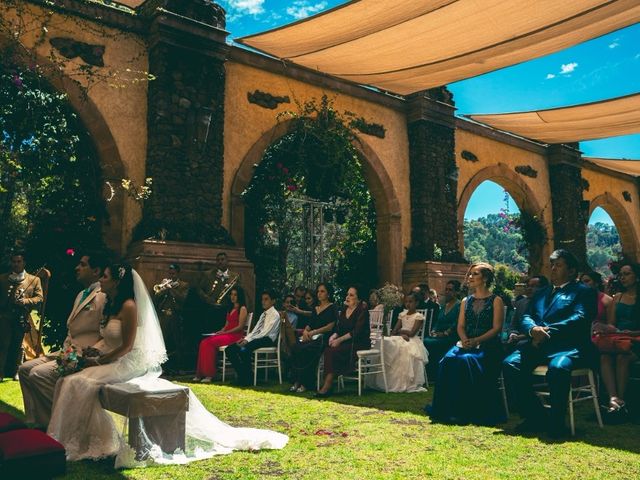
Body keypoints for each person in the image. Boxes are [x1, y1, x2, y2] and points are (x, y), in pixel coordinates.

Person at [47, 264, 287, 466]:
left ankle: (76, 442)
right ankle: (83, 438)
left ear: (118, 281)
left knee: (79, 382)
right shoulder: (112, 305)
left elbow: (127, 347)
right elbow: (109, 340)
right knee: (70, 380)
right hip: (111, 357)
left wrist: (100, 360)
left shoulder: (129, 306)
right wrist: (94, 353)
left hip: (127, 361)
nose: (101, 280)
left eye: (105, 276)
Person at [503, 249, 597, 438]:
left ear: (571, 271)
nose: (553, 269)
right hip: (537, 345)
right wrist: (532, 330)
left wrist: (546, 333)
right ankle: (535, 416)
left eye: (558, 265)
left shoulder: (584, 292)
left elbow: (580, 317)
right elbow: (527, 316)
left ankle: (556, 423)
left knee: (558, 368)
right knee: (510, 364)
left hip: (569, 347)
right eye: (552, 265)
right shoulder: (541, 293)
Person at [18, 252, 107, 427]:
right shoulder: (81, 293)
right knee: (24, 369)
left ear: (96, 271)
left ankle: (63, 422)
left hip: (80, 355)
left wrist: (88, 355)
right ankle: (36, 422)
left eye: (82, 265)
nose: (77, 268)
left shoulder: (103, 296)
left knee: (38, 375)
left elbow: (106, 333)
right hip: (66, 351)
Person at [596, 262, 640, 414]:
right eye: (620, 274)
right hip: (620, 338)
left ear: (637, 276)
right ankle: (613, 399)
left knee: (623, 358)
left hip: (636, 340)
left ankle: (620, 401)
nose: (622, 277)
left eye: (627, 274)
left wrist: (632, 333)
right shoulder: (618, 298)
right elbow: (612, 324)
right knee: (605, 357)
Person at [316, 285, 370, 397]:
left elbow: (357, 332)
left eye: (351, 295)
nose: (348, 297)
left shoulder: (362, 309)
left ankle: (327, 386)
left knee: (334, 351)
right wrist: (334, 336)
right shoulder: (345, 308)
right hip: (345, 342)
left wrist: (339, 340)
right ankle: (327, 383)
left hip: (358, 342)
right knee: (328, 349)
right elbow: (338, 328)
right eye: (347, 294)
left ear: (358, 298)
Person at [371, 292, 428, 392]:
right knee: (386, 342)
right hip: (401, 337)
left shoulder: (418, 317)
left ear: (416, 303)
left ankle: (403, 381)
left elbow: (412, 333)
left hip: (412, 340)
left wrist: (401, 331)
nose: (408, 304)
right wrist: (400, 333)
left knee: (403, 349)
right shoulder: (402, 314)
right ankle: (386, 378)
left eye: (410, 302)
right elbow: (394, 331)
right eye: (406, 302)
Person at [0, 251, 44, 380]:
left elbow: (39, 298)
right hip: (4, 317)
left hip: (22, 317)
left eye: (19, 261)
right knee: (2, 344)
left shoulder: (34, 280)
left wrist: (25, 301)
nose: (16, 264)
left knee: (19, 346)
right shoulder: (2, 278)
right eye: (13, 261)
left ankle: (17, 371)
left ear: (24, 263)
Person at [288, 283, 338, 393]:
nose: (319, 294)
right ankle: (297, 380)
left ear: (328, 294)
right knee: (296, 347)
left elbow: (331, 326)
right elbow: (310, 323)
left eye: (322, 291)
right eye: (318, 291)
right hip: (312, 336)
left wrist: (315, 332)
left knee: (307, 349)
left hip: (324, 337)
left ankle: (306, 382)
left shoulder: (332, 307)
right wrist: (306, 331)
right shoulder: (316, 308)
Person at [225, 289, 281, 386]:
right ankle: (243, 375)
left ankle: (246, 379)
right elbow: (255, 330)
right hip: (257, 338)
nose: (263, 302)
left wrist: (248, 341)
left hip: (267, 339)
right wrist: (246, 338)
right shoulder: (263, 314)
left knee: (244, 349)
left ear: (273, 301)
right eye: (262, 299)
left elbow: (264, 332)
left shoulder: (275, 315)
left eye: (266, 299)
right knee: (230, 349)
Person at [194, 286, 248, 383]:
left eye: (235, 295)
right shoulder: (230, 308)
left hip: (235, 336)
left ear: (239, 296)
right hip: (227, 334)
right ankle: (200, 374)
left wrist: (225, 332)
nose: (233, 297)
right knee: (203, 342)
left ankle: (209, 375)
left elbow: (240, 327)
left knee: (209, 343)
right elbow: (226, 325)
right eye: (231, 294)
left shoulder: (242, 308)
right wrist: (220, 331)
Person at [153, 263, 190, 372]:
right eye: (169, 273)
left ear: (178, 273)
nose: (171, 276)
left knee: (176, 342)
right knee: (162, 342)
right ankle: (163, 367)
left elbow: (182, 299)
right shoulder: (163, 284)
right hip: (163, 316)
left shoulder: (184, 285)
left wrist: (171, 290)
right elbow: (156, 297)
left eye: (173, 273)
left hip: (175, 316)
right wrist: (163, 289)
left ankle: (178, 367)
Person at [424, 280, 461, 378]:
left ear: (457, 292)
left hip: (452, 336)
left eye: (450, 290)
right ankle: (430, 373)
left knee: (429, 342)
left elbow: (457, 323)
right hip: (439, 335)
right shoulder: (444, 306)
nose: (447, 292)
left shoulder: (459, 305)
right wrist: (433, 331)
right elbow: (438, 321)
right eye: (446, 289)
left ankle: (437, 373)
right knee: (426, 340)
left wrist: (445, 333)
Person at [197, 252, 241, 331]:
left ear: (227, 261)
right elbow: (199, 290)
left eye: (222, 259)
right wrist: (207, 298)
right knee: (210, 332)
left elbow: (240, 293)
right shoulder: (208, 274)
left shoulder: (235, 276)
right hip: (211, 310)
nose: (220, 261)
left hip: (228, 310)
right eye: (218, 260)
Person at [507, 276, 549, 347]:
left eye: (533, 286)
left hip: (540, 343)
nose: (529, 289)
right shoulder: (521, 303)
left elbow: (545, 329)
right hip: (519, 344)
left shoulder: (548, 304)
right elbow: (513, 326)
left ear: (543, 288)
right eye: (528, 286)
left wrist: (520, 337)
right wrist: (513, 334)